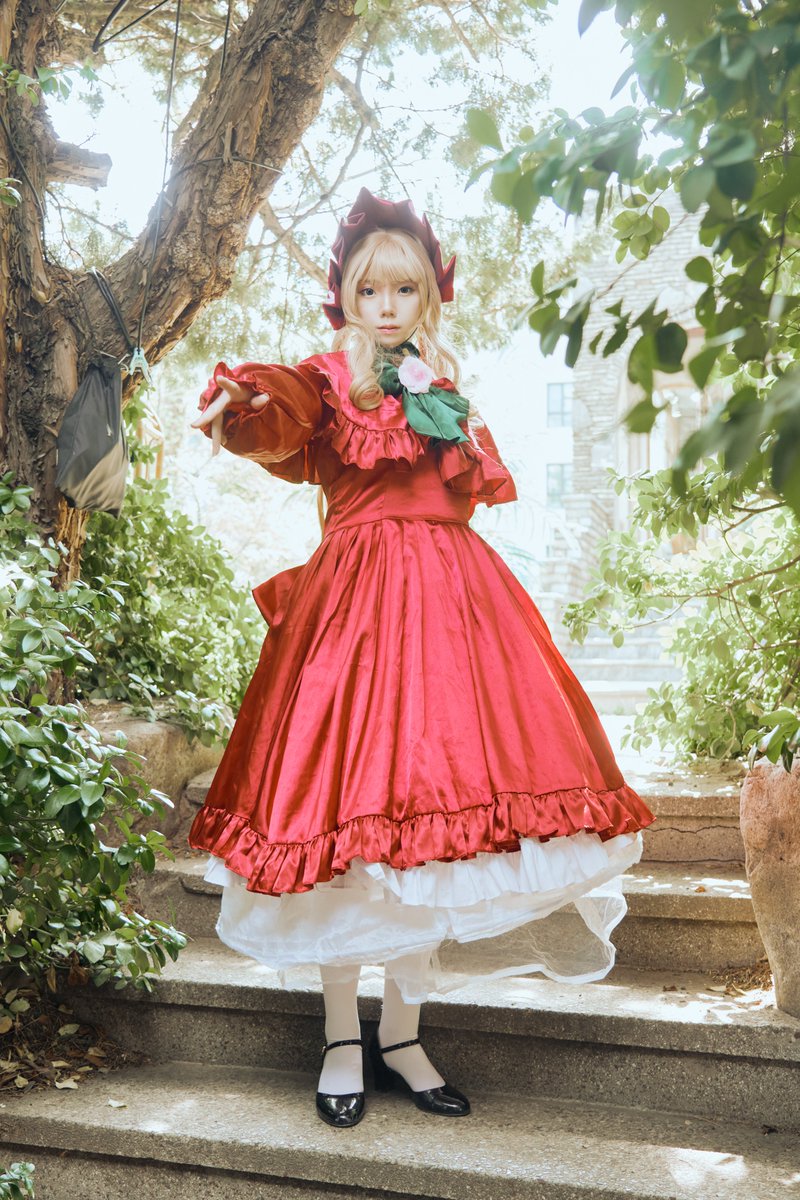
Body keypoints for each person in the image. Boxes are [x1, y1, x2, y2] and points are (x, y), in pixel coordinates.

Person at [188, 187, 656, 1129]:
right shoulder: (328, 380)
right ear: (346, 299)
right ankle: (341, 1039)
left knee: (431, 841)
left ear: (430, 296)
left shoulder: (444, 385)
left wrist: (438, 406)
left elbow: (468, 491)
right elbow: (279, 409)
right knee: (341, 834)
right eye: (370, 290)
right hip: (352, 627)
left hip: (450, 625)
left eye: (405, 290)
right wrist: (242, 398)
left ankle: (401, 1036)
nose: (388, 305)